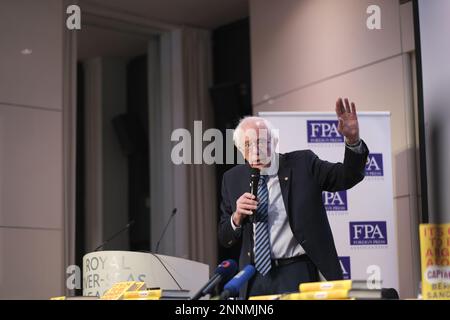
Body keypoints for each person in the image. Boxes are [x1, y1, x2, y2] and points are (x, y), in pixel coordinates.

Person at [218, 98, 369, 298]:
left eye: (261, 141)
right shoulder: (232, 179)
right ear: (240, 150)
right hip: (253, 277)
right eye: (248, 144)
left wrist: (353, 141)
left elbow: (347, 177)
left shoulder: (303, 164)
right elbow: (224, 237)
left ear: (274, 141)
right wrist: (237, 216)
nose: (255, 149)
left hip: (295, 271)